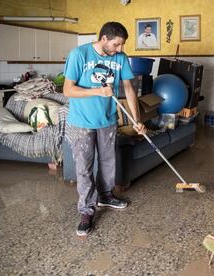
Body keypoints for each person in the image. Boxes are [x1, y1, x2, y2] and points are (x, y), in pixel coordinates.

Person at [63, 22, 146, 236]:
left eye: (122, 45)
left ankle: (106, 196)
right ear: (104, 39)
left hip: (108, 120)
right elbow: (68, 90)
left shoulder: (120, 58)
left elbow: (129, 88)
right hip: (81, 121)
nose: (119, 49)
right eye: (116, 44)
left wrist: (137, 119)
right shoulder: (79, 54)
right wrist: (96, 92)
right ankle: (86, 210)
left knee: (109, 161)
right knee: (84, 166)